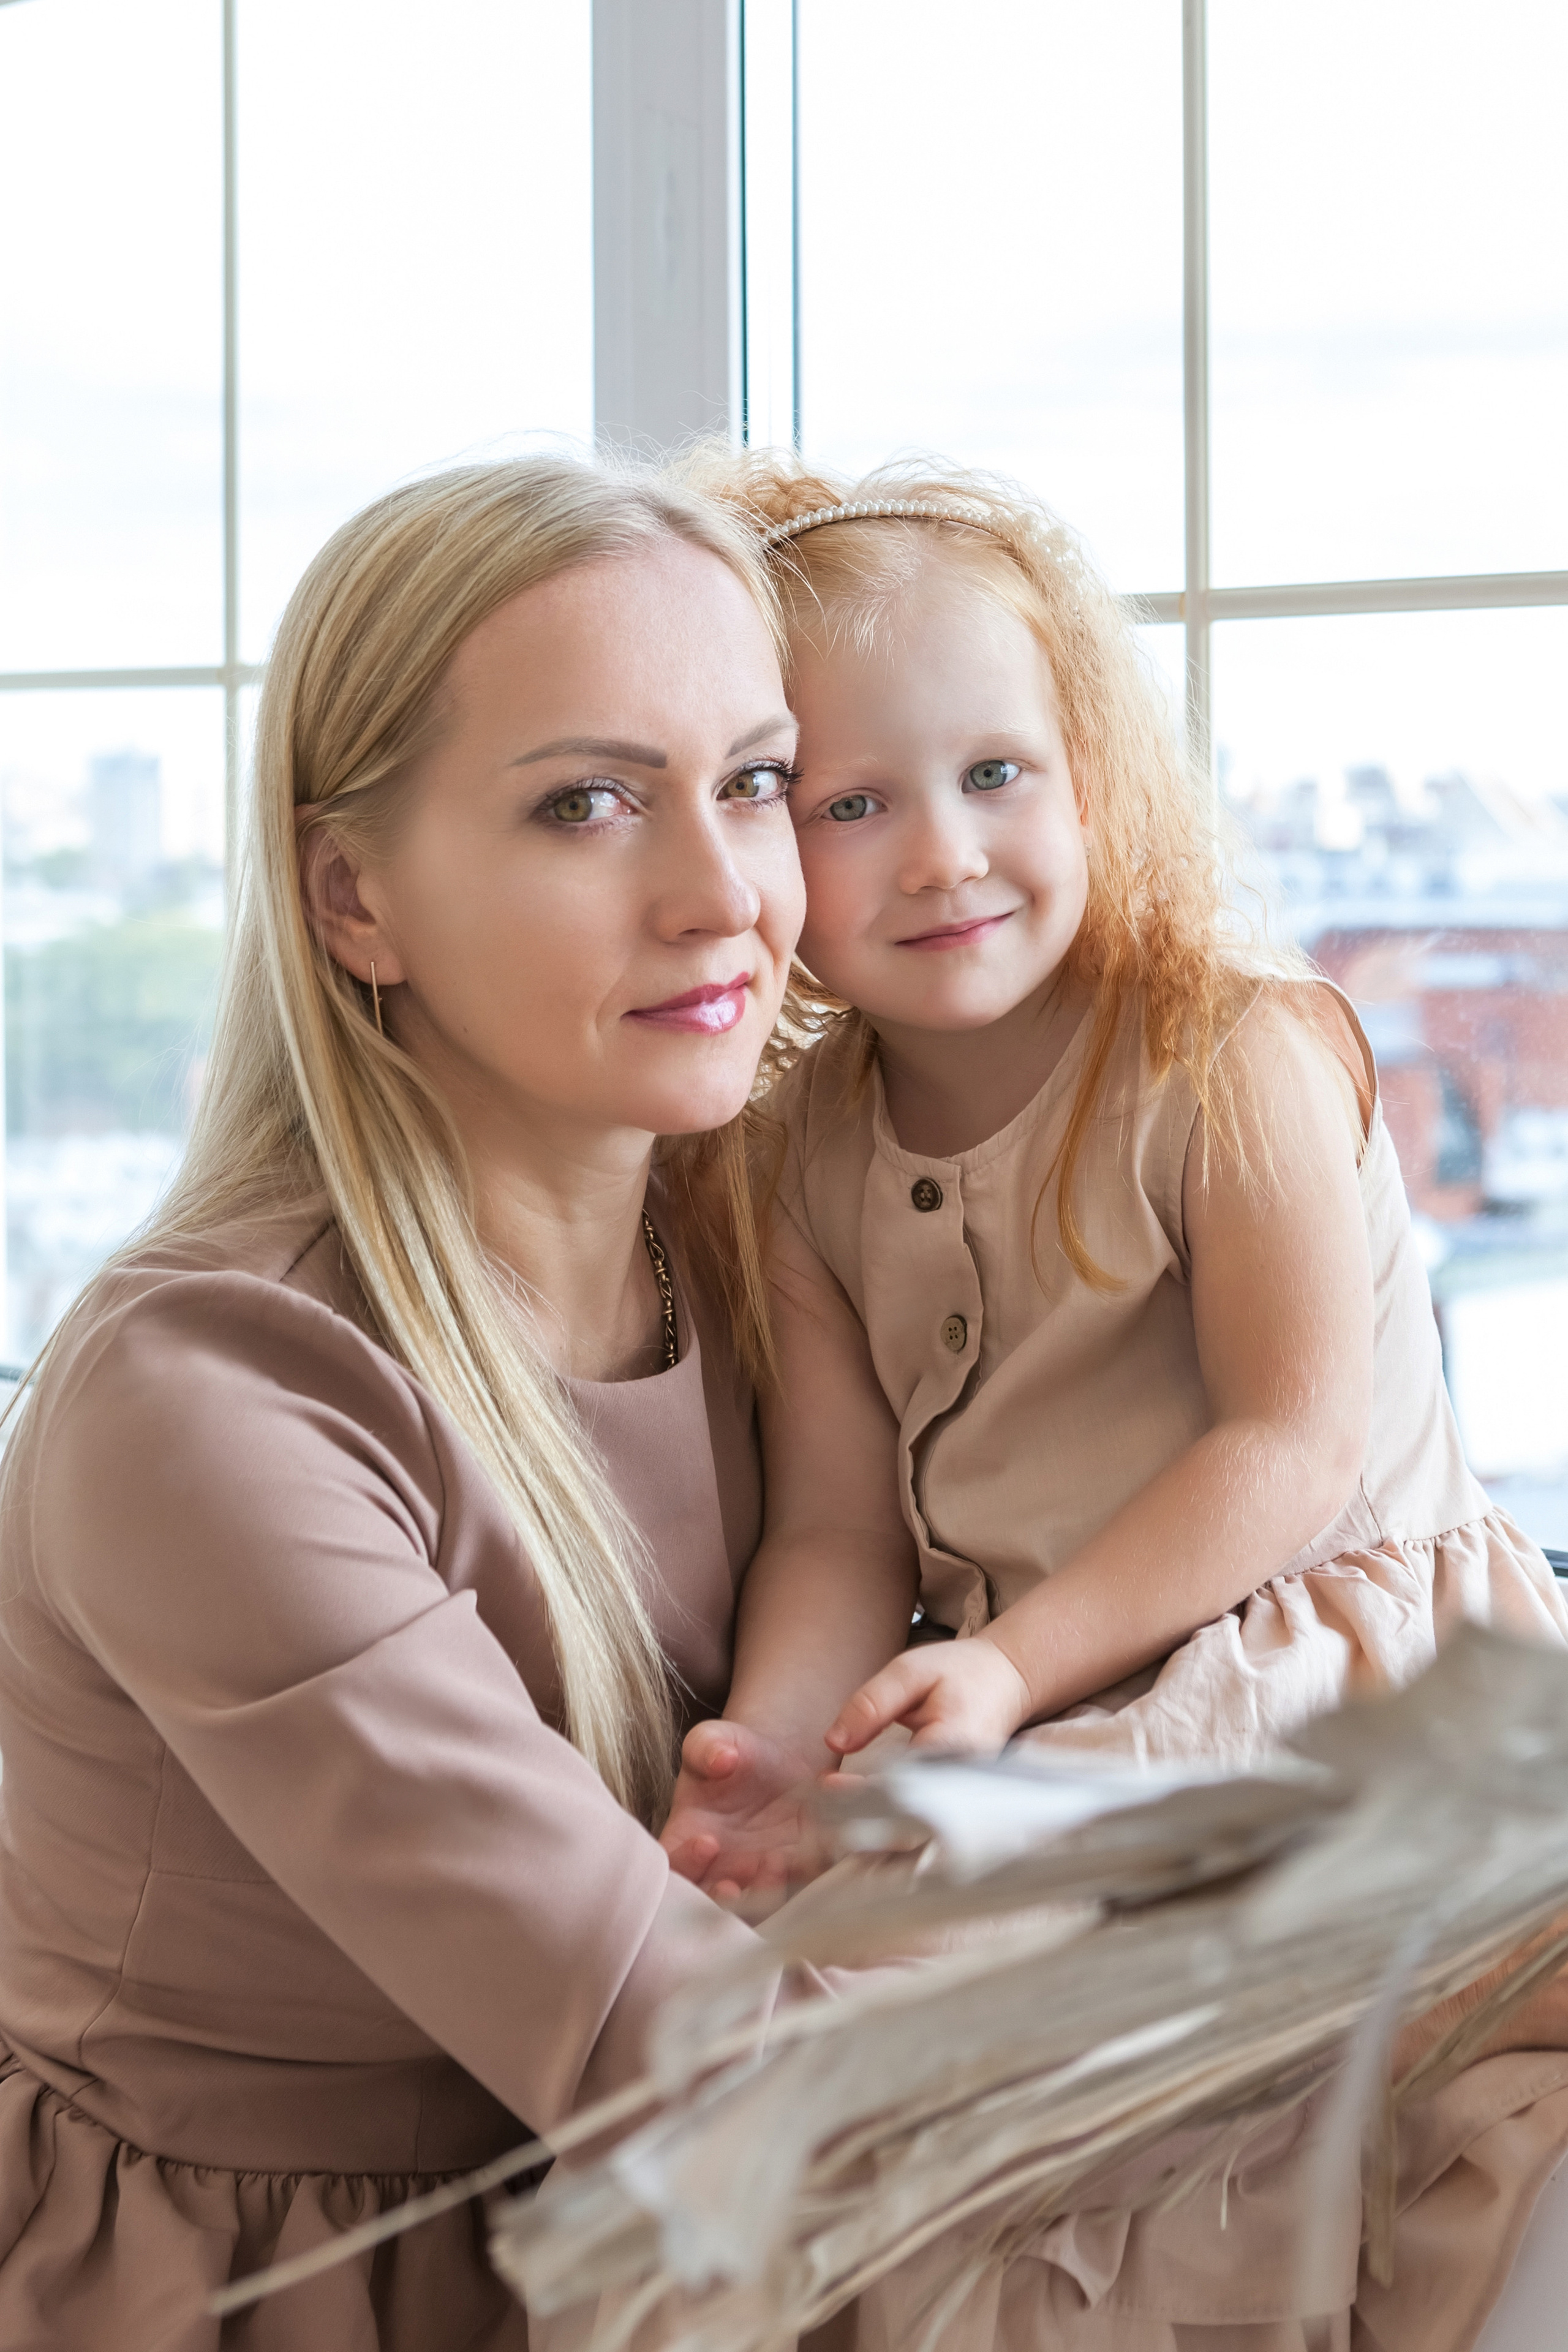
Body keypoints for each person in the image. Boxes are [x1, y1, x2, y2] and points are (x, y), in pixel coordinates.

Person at [658, 454, 1568, 2350]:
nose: (943, 854)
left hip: (1330, 1671)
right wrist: (784, 1740)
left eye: (997, 772)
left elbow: (1288, 1447)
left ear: (1091, 772)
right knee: (771, 2003)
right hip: (1059, 1706)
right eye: (851, 804)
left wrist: (1005, 1672)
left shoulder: (1230, 1050)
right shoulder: (794, 1149)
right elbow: (836, 1520)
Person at [0, 456, 813, 2348]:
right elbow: (691, 2050)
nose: (721, 893)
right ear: (353, 896)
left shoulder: (771, 1266)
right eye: (588, 802)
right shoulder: (211, 1400)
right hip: (278, 2297)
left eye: (757, 781)